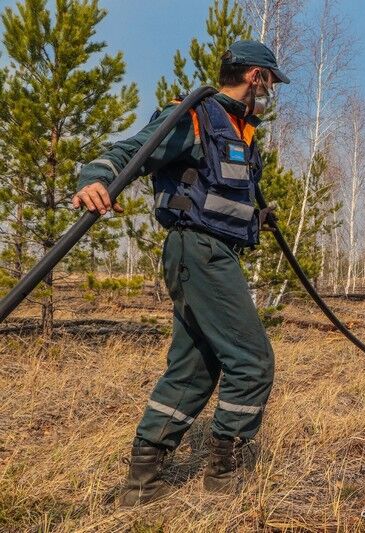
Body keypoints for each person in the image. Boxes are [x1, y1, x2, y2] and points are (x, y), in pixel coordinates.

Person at [72, 40, 290, 506]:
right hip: (199, 252)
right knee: (252, 361)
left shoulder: (237, 130)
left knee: (195, 367)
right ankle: (223, 474)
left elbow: (214, 198)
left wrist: (255, 219)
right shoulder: (197, 116)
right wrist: (94, 179)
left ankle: (142, 481)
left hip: (212, 250)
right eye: (270, 82)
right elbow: (132, 150)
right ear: (256, 77)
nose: (270, 92)